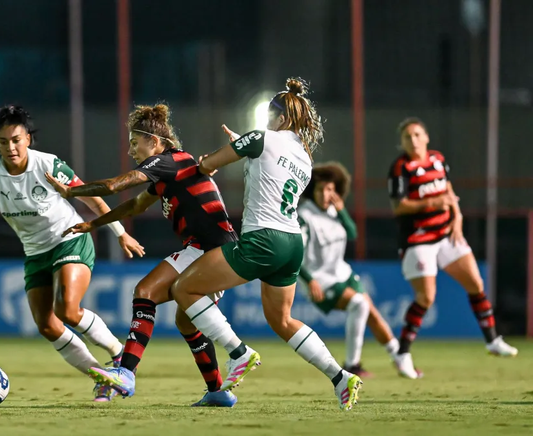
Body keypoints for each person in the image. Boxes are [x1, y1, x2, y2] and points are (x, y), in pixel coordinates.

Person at [166, 77, 362, 411]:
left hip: (263, 239)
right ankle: (340, 377)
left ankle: (238, 353)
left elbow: (206, 165)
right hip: (292, 242)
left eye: (271, 115)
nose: (267, 121)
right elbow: (268, 168)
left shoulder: (260, 138)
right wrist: (245, 147)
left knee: (183, 290)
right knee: (282, 321)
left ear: (281, 118)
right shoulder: (304, 157)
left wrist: (232, 150)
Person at [0, 105, 145, 402]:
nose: (10, 148)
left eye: (16, 140)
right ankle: (101, 378)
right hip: (35, 252)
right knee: (48, 326)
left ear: (27, 139)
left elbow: (92, 198)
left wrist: (121, 233)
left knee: (67, 309)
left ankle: (118, 355)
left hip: (69, 239)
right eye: (3, 142)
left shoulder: (48, 165)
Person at [45, 103, 238, 407]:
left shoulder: (167, 161)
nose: (131, 150)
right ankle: (217, 391)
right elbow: (134, 206)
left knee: (144, 291)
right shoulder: (172, 172)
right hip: (214, 249)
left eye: (135, 143)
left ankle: (126, 372)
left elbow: (113, 186)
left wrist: (71, 193)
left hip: (209, 248)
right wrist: (93, 224)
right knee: (187, 322)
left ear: (155, 141)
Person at [387, 117, 517, 378]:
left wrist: (457, 217)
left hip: (447, 235)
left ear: (426, 137)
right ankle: (402, 354)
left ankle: (492, 340)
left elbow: (448, 190)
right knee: (426, 298)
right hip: (418, 239)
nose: (412, 140)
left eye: (416, 135)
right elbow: (398, 206)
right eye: (407, 137)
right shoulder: (401, 167)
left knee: (476, 284)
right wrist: (433, 203)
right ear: (401, 143)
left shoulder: (437, 159)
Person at [298, 162, 407, 377]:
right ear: (313, 191)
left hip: (342, 273)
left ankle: (400, 358)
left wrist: (341, 211)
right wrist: (309, 280)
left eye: (330, 189)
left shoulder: (334, 211)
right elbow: (296, 256)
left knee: (371, 311)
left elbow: (353, 233)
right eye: (321, 189)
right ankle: (351, 365)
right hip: (319, 280)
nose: (325, 194)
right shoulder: (304, 216)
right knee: (358, 304)